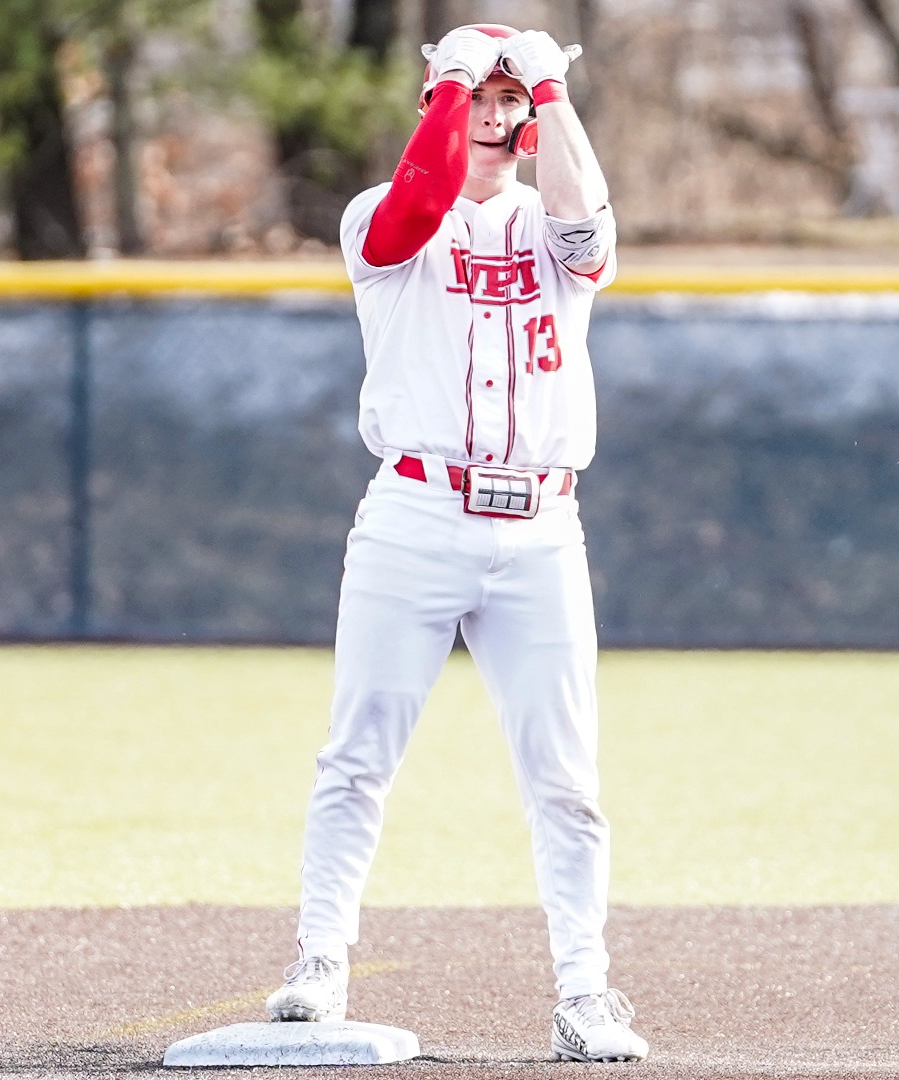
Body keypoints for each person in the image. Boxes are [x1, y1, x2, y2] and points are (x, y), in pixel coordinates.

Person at [261, 23, 647, 1064]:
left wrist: (551, 89)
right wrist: (455, 80)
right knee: (358, 755)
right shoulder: (378, 218)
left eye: (504, 98)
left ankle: (586, 991)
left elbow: (589, 228)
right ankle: (320, 958)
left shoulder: (551, 210)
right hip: (416, 515)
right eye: (474, 96)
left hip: (540, 527)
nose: (492, 109)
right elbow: (418, 210)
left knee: (567, 778)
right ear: (440, 103)